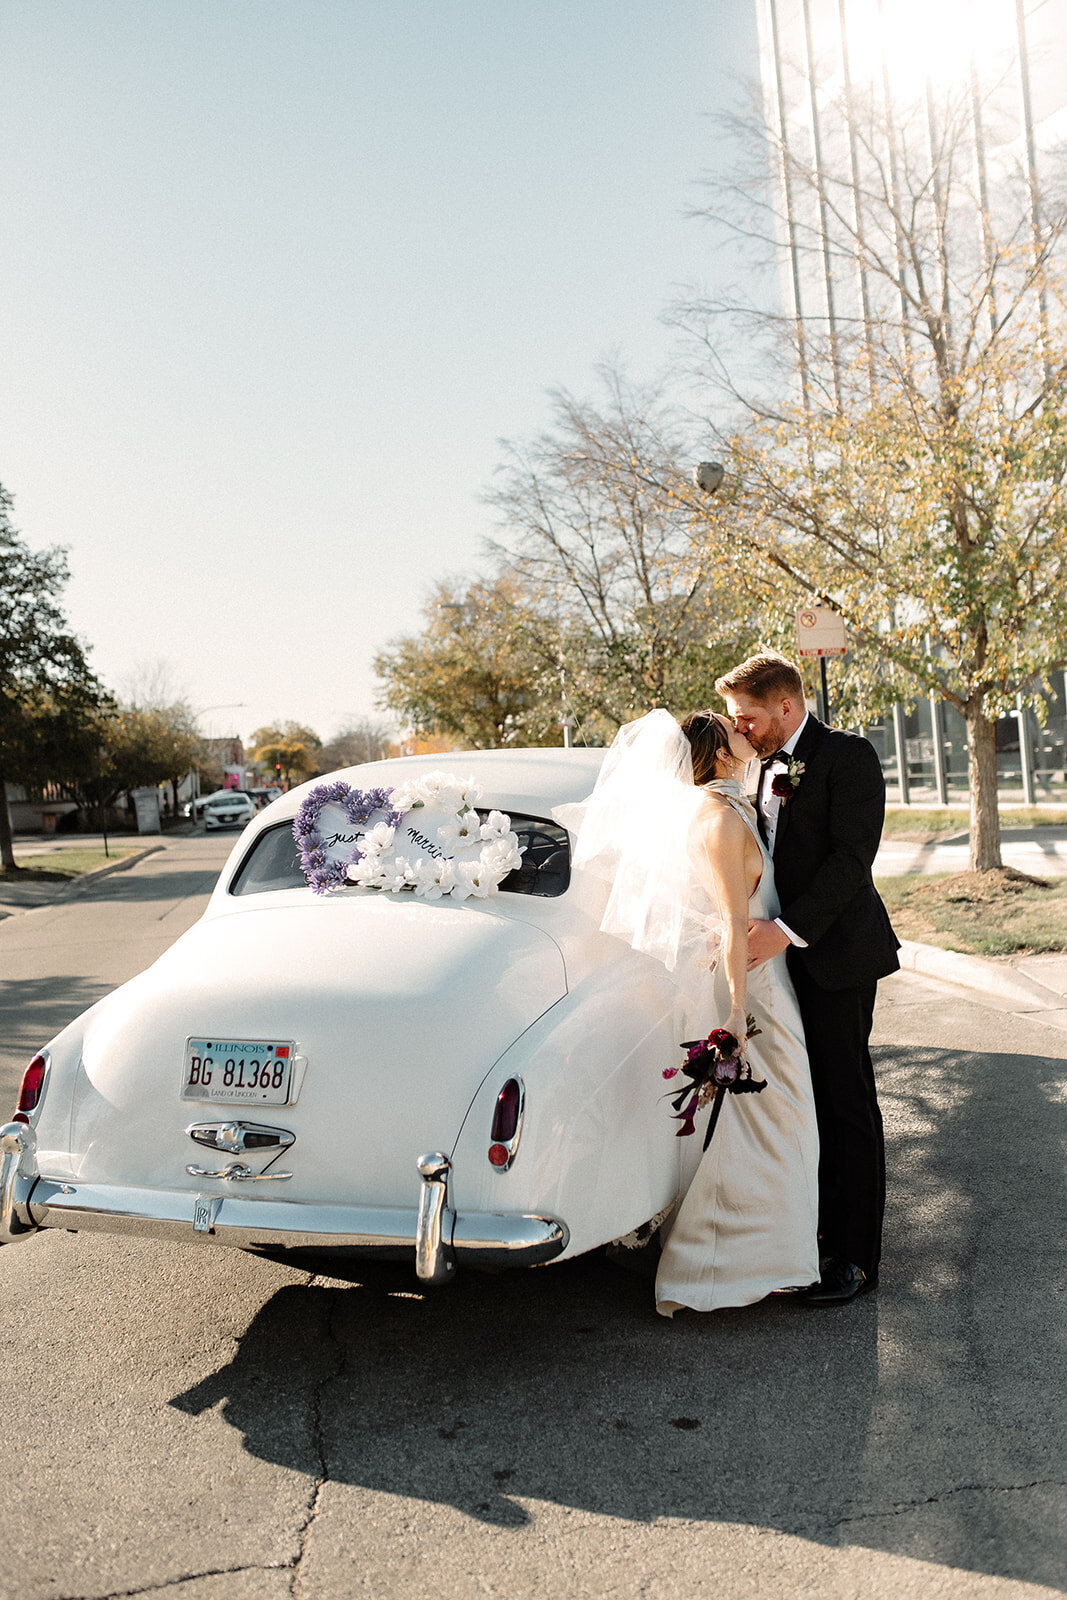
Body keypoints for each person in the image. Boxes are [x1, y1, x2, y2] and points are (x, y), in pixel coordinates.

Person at [557, 707, 820, 1315]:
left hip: (767, 980)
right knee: (776, 1122)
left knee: (773, 1121)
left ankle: (771, 1257)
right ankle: (715, 1265)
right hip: (755, 991)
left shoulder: (725, 806)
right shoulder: (717, 820)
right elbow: (730, 924)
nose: (744, 730)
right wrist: (736, 1012)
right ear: (720, 754)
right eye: (733, 729)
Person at [716, 653, 900, 1305]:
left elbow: (851, 860)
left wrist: (785, 930)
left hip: (835, 954)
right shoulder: (758, 764)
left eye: (747, 717)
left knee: (845, 1100)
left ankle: (856, 1256)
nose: (740, 728)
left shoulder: (848, 757)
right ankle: (812, 1231)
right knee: (802, 1099)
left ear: (786, 707)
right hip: (776, 962)